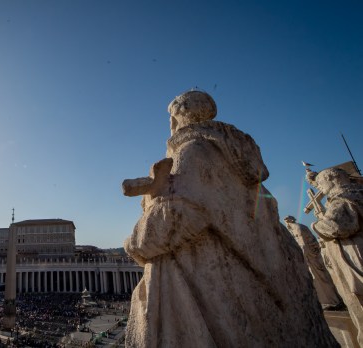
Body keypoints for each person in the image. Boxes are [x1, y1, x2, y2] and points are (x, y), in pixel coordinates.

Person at [123, 90, 337, 347]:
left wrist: (133, 242)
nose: (170, 124)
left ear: (182, 116)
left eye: (172, 116)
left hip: (219, 289)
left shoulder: (195, 151)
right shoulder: (231, 154)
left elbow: (180, 216)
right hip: (256, 280)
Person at [310, 167, 363, 345]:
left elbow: (337, 226)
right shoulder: (355, 192)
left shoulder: (343, 198)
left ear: (333, 179)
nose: (321, 189)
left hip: (355, 257)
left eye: (321, 184)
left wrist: (316, 225)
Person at [283, 215, 342, 309]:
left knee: (320, 277)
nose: (286, 223)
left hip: (310, 256)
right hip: (309, 256)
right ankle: (325, 301)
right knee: (316, 279)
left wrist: (302, 256)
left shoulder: (298, 227)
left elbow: (303, 244)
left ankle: (331, 301)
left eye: (286, 221)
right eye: (285, 221)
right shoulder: (295, 229)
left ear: (290, 220)